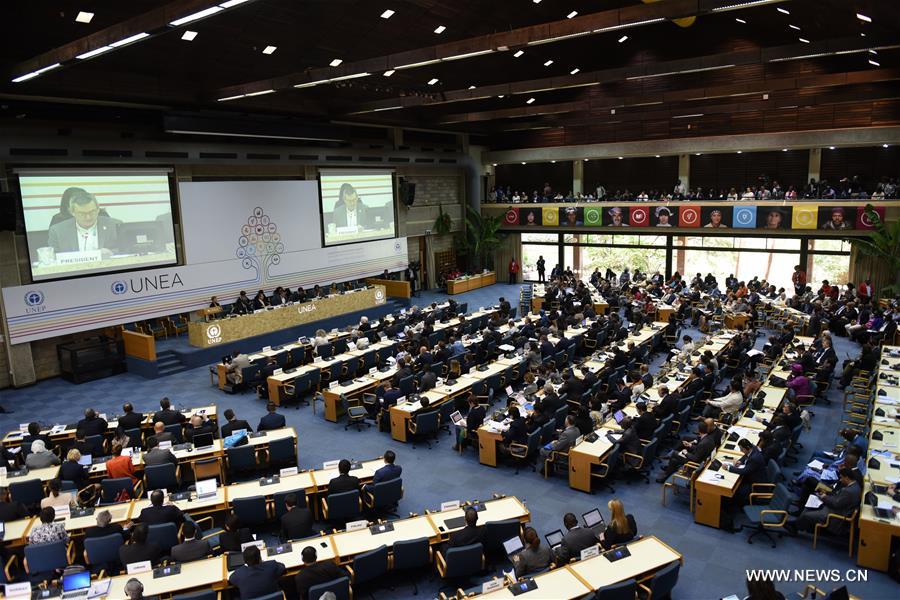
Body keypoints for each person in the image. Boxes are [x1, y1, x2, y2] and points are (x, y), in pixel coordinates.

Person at [47, 188, 120, 254]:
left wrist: (111, 253)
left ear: (98, 209)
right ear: (72, 212)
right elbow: (52, 258)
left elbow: (125, 250)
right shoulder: (57, 231)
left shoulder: (115, 225)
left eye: (92, 212)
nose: (88, 217)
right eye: (82, 214)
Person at [792, 468, 861, 536]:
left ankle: (794, 527)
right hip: (836, 505)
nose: (840, 479)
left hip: (835, 515)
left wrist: (824, 497)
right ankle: (797, 524)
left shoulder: (848, 491)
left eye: (841, 478)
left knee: (807, 514)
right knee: (810, 505)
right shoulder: (855, 485)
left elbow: (835, 503)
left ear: (847, 478)